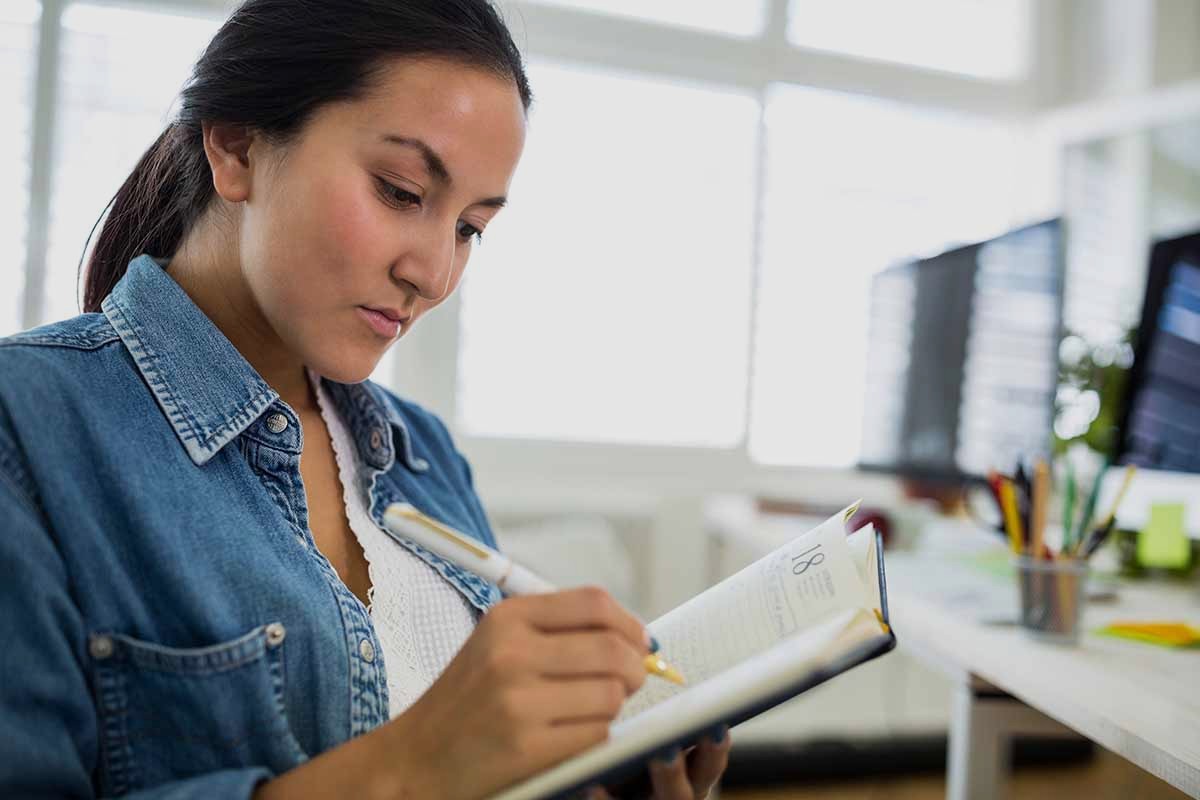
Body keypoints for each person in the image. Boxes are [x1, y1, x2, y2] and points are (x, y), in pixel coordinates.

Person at [0, 1, 732, 797]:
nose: (436, 275)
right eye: (400, 191)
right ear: (236, 144)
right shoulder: (29, 425)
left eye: (471, 229)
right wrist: (412, 766)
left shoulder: (426, 455)